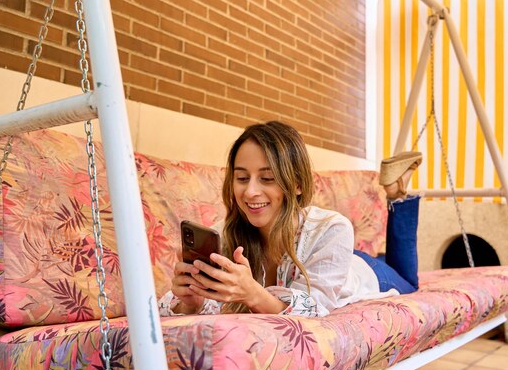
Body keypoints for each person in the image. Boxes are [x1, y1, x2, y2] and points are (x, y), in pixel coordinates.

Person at [159, 121, 422, 317]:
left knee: (408, 279)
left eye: (267, 178)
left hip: (360, 270)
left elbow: (317, 308)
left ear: (296, 183)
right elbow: (171, 307)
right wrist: (189, 303)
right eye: (241, 178)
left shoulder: (333, 227)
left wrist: (253, 293)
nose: (250, 191)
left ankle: (397, 191)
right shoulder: (224, 235)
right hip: (327, 257)